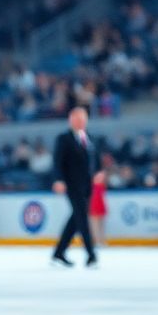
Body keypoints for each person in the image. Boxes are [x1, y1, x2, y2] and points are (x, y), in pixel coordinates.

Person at [51, 107, 98, 268]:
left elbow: (93, 160)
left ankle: (58, 253)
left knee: (76, 219)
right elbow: (57, 161)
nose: (80, 122)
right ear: (71, 120)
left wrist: (98, 173)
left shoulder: (89, 138)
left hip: (87, 185)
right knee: (82, 219)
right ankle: (91, 255)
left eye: (83, 119)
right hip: (71, 184)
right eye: (77, 119)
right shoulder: (63, 139)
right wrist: (58, 179)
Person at [89, 170, 108, 248]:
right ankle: (95, 241)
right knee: (94, 226)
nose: (101, 178)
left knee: (101, 225)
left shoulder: (102, 186)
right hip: (93, 207)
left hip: (100, 206)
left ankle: (101, 240)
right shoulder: (91, 186)